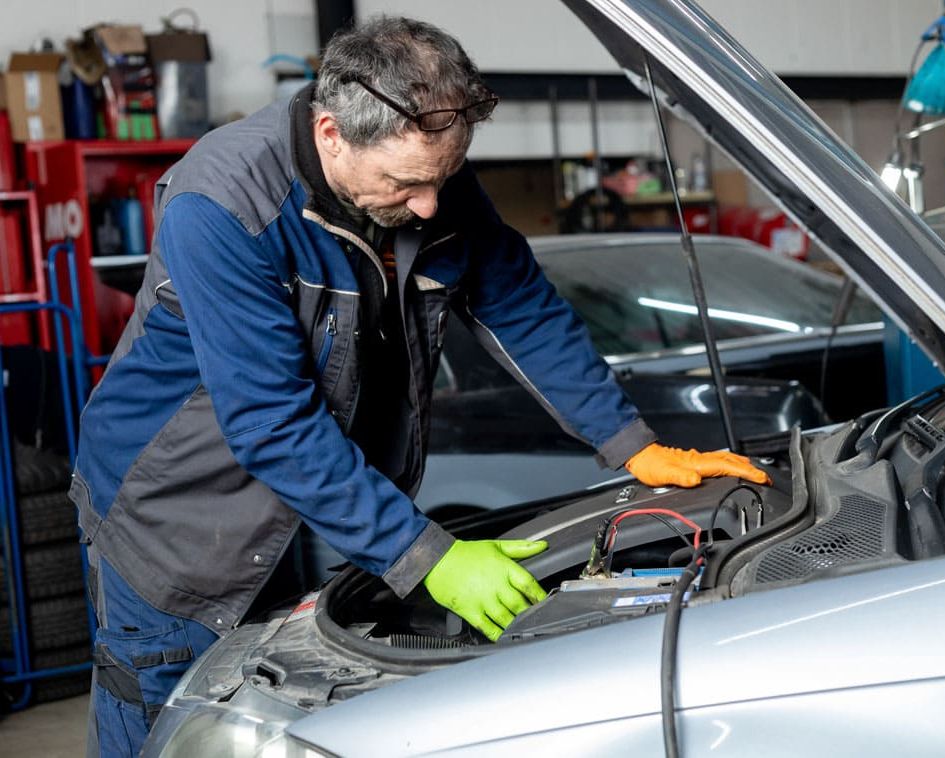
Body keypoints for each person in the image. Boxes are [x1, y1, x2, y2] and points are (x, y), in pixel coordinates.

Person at [70, 15, 770, 756]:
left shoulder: (431, 175)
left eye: (442, 177)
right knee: (168, 716)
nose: (431, 204)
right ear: (332, 132)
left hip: (321, 505)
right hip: (178, 515)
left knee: (288, 723)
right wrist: (425, 556)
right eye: (407, 184)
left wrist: (629, 444)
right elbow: (271, 421)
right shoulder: (224, 206)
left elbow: (520, 306)